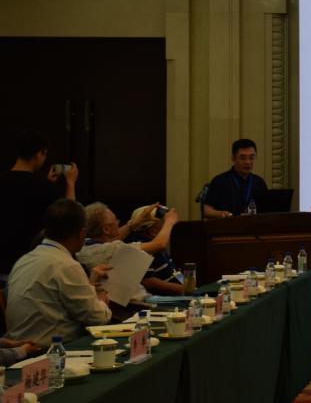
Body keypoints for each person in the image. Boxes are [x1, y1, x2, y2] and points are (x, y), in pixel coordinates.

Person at [4, 199, 112, 346]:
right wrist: (102, 301)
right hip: (51, 351)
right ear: (82, 233)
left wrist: (90, 286)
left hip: (18, 349)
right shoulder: (66, 265)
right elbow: (97, 318)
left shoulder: (24, 260)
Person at [0, 131, 78, 282]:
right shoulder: (43, 187)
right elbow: (69, 217)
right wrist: (70, 183)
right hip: (27, 265)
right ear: (39, 154)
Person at [77, 202, 180, 303]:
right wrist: (169, 221)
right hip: (137, 305)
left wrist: (136, 222)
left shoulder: (86, 245)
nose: (118, 223)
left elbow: (110, 242)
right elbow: (159, 244)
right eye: (115, 221)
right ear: (106, 229)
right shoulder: (110, 249)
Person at [125, 206, 185, 295]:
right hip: (162, 299)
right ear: (153, 231)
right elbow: (149, 282)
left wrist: (186, 284)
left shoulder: (156, 245)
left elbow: (174, 271)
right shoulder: (142, 246)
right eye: (164, 225)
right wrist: (180, 288)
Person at [203, 138, 268, 218]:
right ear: (233, 158)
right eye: (243, 158)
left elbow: (267, 210)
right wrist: (221, 214)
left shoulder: (259, 182)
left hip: (254, 225)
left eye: (251, 158)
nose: (248, 162)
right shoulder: (220, 181)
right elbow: (206, 210)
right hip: (228, 224)